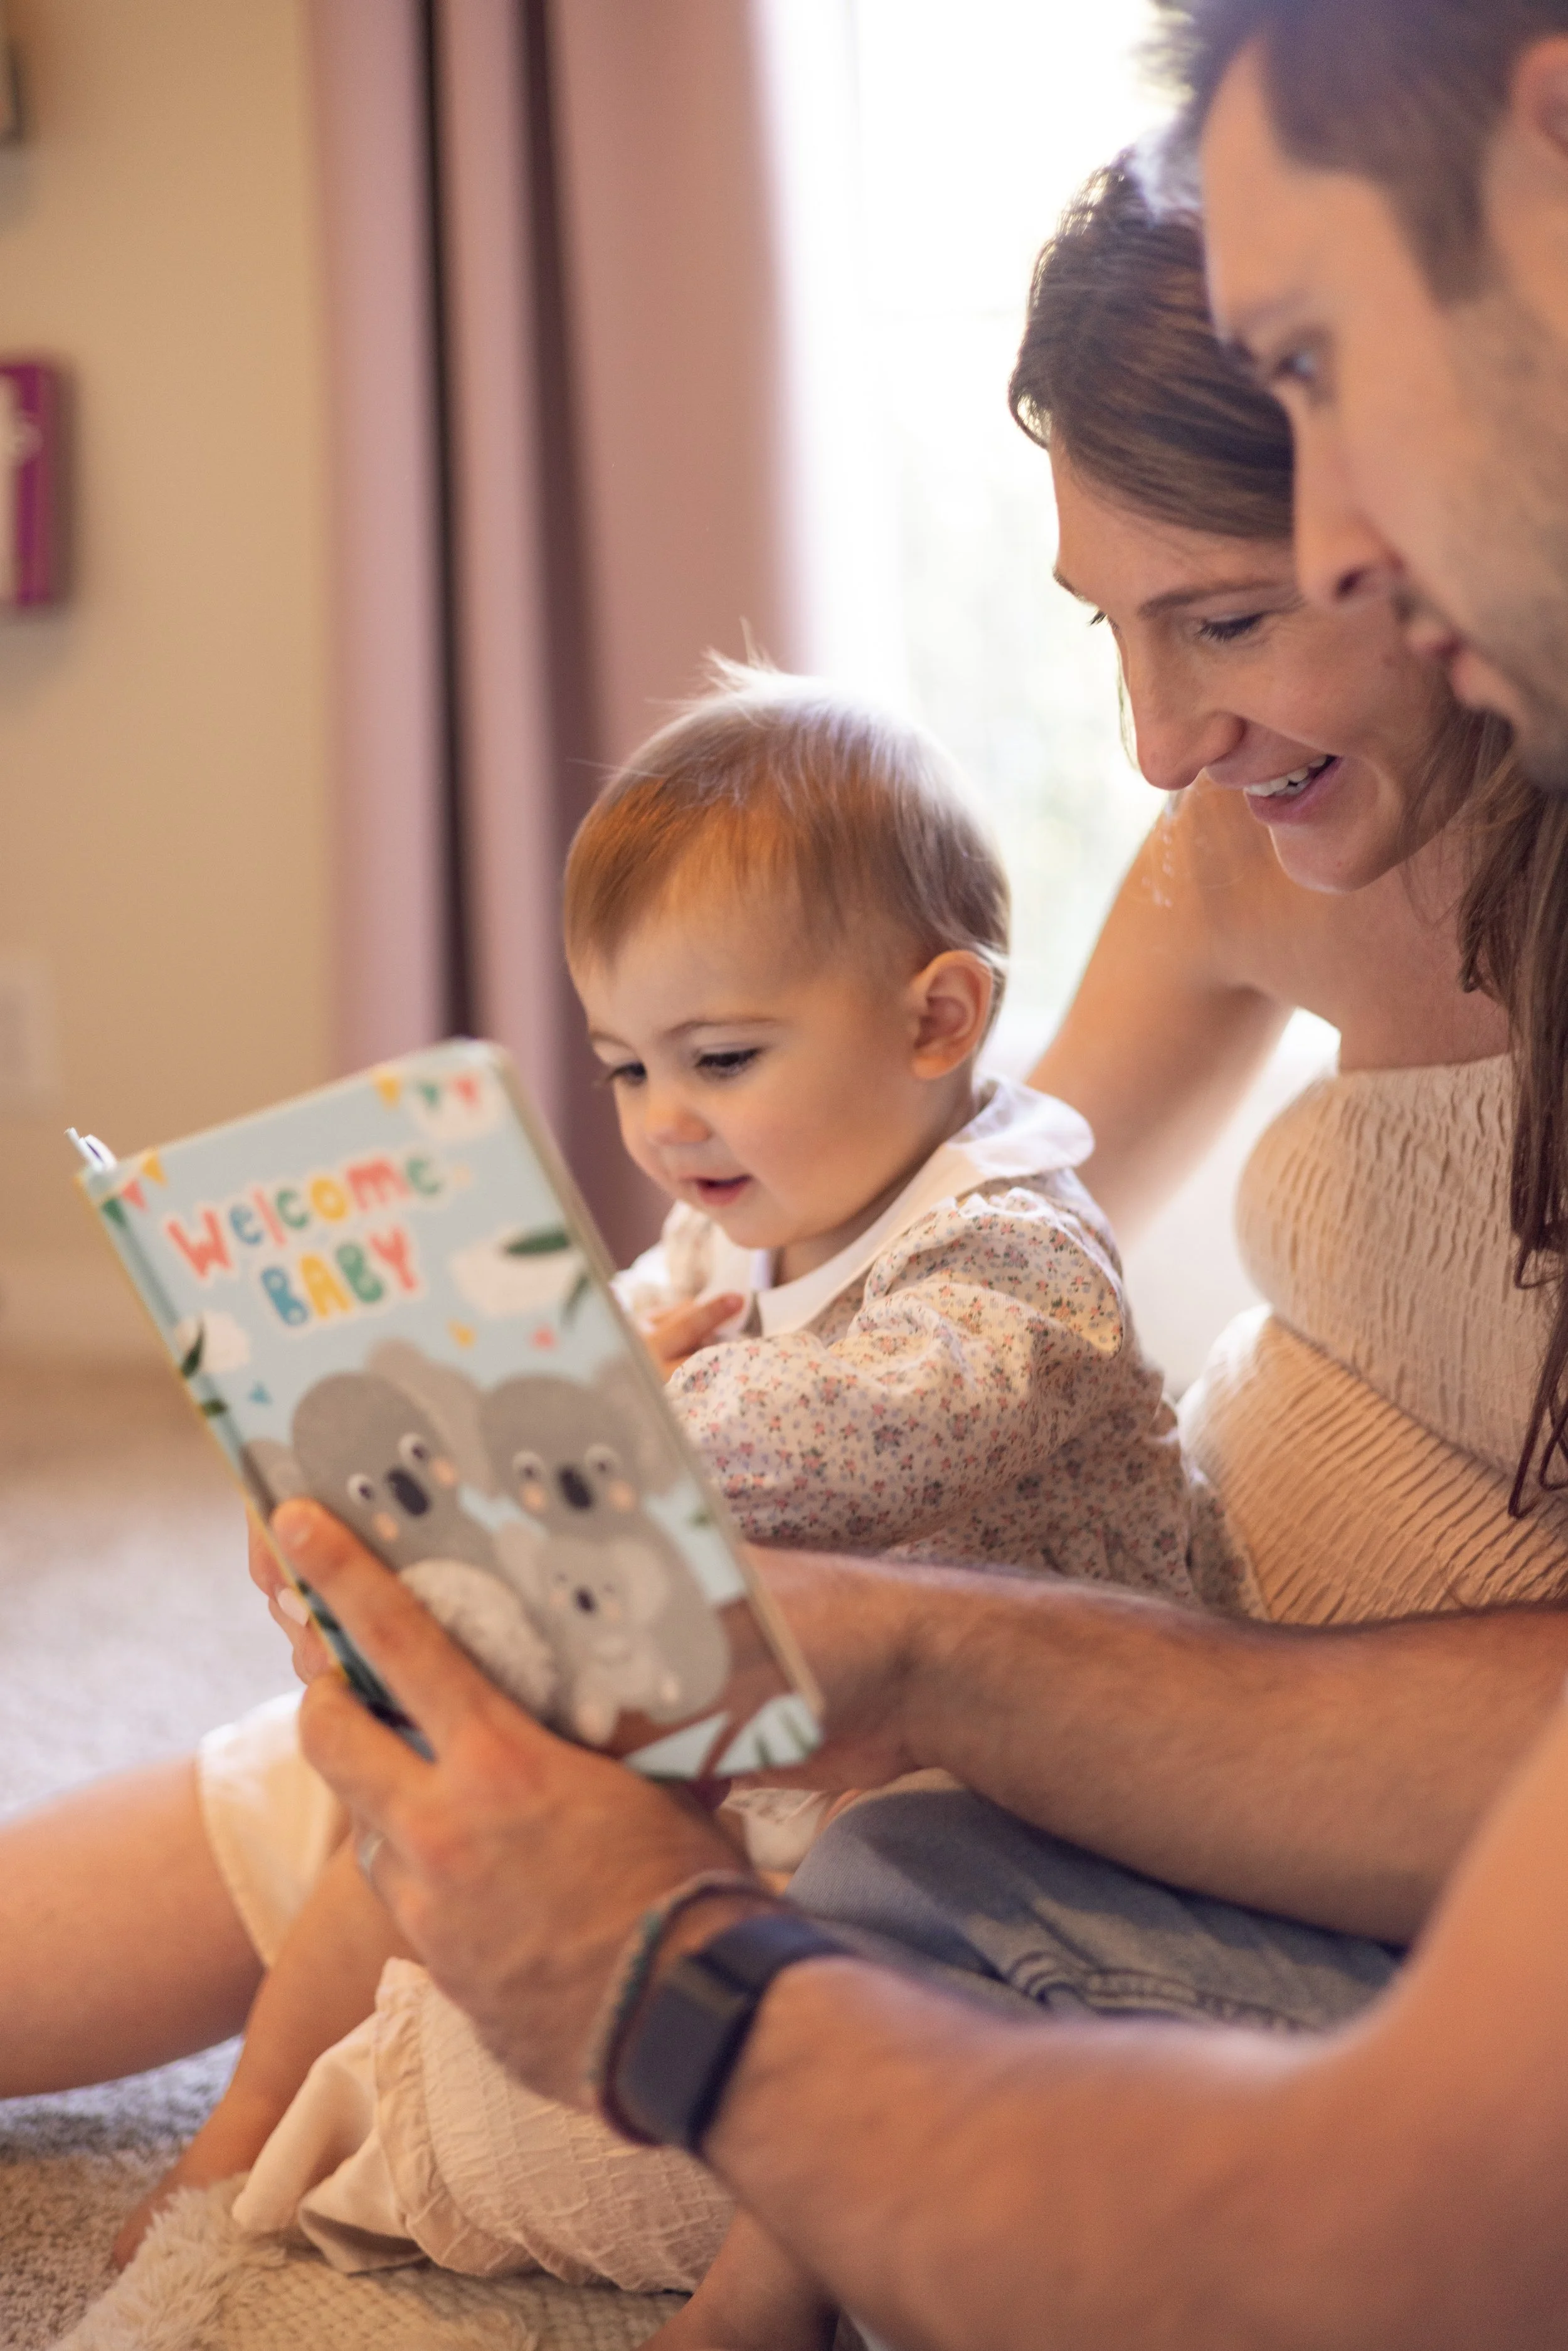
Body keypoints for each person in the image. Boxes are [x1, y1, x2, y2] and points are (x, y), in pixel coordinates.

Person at [5, 112, 1568, 2342]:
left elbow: (1001, 1349)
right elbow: (966, 1188)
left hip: (1213, 1764)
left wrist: (788, 1571)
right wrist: (611, 1366)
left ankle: (249, 2190)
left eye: (1224, 618)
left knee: (538, 1980)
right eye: (1110, 629)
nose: (1144, 740)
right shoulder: (1246, 842)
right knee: (371, 1735)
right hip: (1126, 1615)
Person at [105, 661, 1209, 2286]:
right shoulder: (740, 1211)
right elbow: (606, 1345)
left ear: (937, 1016)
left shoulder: (1015, 1250)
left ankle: (768, 2297)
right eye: (626, 1067)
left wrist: (588, 1427)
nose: (664, 1122)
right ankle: (236, 2135)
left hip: (1017, 1782)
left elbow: (851, 1432)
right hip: (800, 1711)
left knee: (876, 1933)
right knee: (415, 1780)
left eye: (719, 1056)